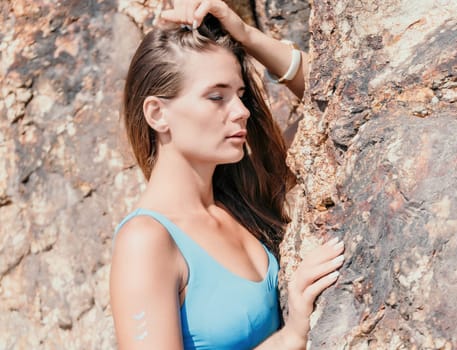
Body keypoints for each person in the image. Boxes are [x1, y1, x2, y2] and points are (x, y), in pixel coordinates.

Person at [109, 1, 345, 349]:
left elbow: (340, 99)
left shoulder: (243, 197)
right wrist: (291, 335)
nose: (240, 112)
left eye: (241, 95)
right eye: (216, 96)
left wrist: (246, 36)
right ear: (157, 113)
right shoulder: (146, 241)